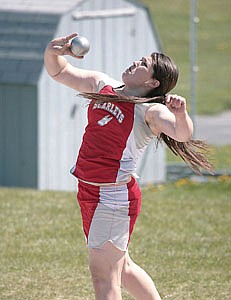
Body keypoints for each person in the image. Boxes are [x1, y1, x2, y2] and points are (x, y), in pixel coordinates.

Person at [44, 33, 213, 300]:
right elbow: (61, 72)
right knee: (123, 269)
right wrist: (53, 53)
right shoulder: (103, 85)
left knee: (104, 279)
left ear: (152, 82)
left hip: (113, 197)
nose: (135, 62)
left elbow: (182, 134)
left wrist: (181, 114)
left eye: (143, 64)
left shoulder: (150, 111)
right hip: (91, 191)